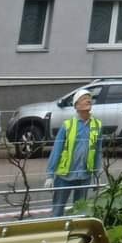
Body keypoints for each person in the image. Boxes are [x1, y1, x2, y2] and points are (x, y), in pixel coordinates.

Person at [47, 88, 102, 217]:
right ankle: (56, 227)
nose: (88, 100)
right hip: (65, 175)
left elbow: (98, 151)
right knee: (58, 209)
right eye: (84, 99)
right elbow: (56, 150)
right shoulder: (67, 125)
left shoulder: (97, 125)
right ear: (76, 105)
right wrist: (50, 175)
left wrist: (97, 175)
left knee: (80, 211)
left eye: (89, 98)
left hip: (84, 176)